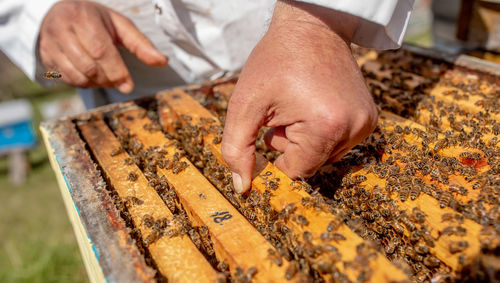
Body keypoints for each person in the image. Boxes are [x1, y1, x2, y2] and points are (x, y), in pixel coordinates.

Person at [0, 0, 414, 193]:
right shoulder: (59, 66)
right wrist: (40, 15)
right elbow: (30, 34)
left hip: (297, 57)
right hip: (133, 88)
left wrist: (319, 24)